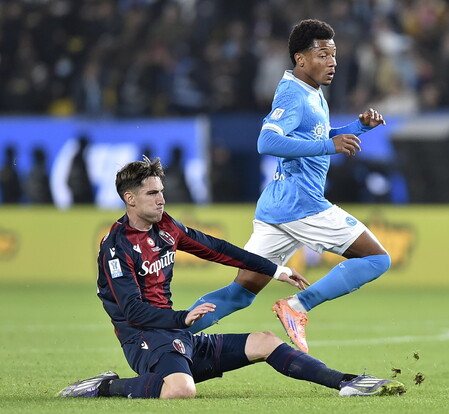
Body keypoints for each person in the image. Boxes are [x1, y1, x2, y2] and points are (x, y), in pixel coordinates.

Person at [58, 156, 405, 399]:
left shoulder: (166, 227)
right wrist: (182, 318)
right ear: (129, 199)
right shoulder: (116, 247)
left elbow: (217, 248)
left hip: (174, 335)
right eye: (152, 193)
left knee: (265, 341)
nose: (161, 199)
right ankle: (104, 387)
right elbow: (132, 311)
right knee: (180, 390)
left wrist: (275, 269)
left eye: (161, 191)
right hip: (144, 341)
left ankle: (347, 382)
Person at [187, 19, 390, 354]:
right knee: (377, 260)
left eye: (334, 54)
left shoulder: (312, 92)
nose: (332, 62)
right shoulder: (294, 95)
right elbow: (266, 142)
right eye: (323, 55)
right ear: (300, 59)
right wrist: (329, 146)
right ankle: (297, 306)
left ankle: (169, 333)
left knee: (240, 293)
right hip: (302, 204)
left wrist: (357, 127)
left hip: (278, 206)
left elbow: (314, 135)